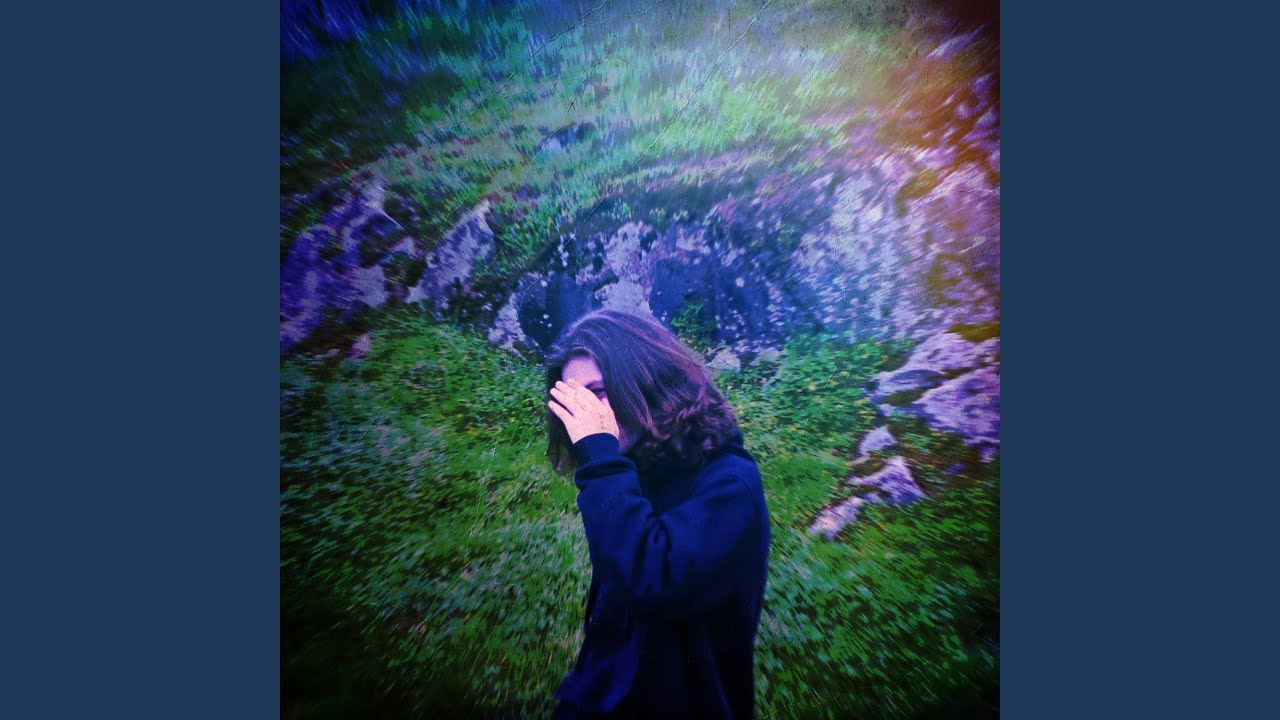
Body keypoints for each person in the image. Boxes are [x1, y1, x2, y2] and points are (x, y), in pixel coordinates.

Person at [543, 308, 772, 719]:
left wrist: (601, 460)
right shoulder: (639, 469)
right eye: (575, 401)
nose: (587, 416)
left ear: (646, 379)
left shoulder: (730, 484)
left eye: (598, 392)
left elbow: (650, 578)